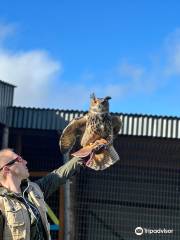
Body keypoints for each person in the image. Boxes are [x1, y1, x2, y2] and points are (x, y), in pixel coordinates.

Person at [0, 148, 84, 240]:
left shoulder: (33, 190)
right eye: (19, 159)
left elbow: (59, 175)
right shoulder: (2, 203)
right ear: (7, 169)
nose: (25, 162)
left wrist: (85, 153)